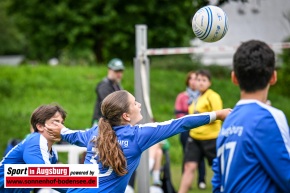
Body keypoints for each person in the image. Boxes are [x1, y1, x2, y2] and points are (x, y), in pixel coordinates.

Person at [45, 90, 231, 193]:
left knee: (29, 175)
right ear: (126, 115)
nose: (139, 105)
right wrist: (218, 114)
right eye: (135, 103)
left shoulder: (95, 131)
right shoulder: (138, 135)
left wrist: (61, 130)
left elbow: (71, 134)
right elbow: (181, 123)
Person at [212, 40, 290, 193]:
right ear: (273, 77)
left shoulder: (228, 121)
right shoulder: (269, 118)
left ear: (234, 78)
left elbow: (217, 181)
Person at [0, 104, 67, 193]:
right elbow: (44, 176)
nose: (61, 127)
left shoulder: (53, 153)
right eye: (55, 122)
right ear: (40, 126)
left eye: (62, 123)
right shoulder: (35, 141)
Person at [179, 69, 223, 193]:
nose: (201, 83)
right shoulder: (195, 97)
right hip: (194, 138)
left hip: (211, 139)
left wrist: (200, 119)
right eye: (199, 80)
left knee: (220, 169)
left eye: (204, 80)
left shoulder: (213, 96)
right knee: (189, 167)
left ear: (209, 83)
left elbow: (219, 116)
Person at [174, 71, 206, 189]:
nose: (194, 81)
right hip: (186, 129)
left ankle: (201, 180)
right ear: (188, 81)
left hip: (200, 130)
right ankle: (186, 182)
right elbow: (178, 114)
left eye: (196, 79)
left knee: (201, 155)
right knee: (188, 155)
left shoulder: (203, 96)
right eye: (191, 79)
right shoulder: (182, 96)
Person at [92, 58, 125, 126]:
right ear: (109, 70)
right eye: (116, 71)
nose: (119, 74)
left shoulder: (116, 85)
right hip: (102, 123)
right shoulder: (104, 86)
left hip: (110, 123)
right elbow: (111, 105)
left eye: (121, 71)